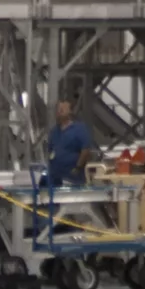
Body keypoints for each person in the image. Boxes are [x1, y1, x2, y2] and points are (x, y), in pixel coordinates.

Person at [35, 100, 95, 243]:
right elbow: (50, 150)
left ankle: (79, 231)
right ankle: (50, 232)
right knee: (50, 206)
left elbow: (85, 150)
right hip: (55, 176)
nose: (60, 112)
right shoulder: (54, 132)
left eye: (63, 109)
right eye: (58, 109)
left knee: (73, 209)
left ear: (70, 112)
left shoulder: (79, 129)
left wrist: (77, 167)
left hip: (72, 177)